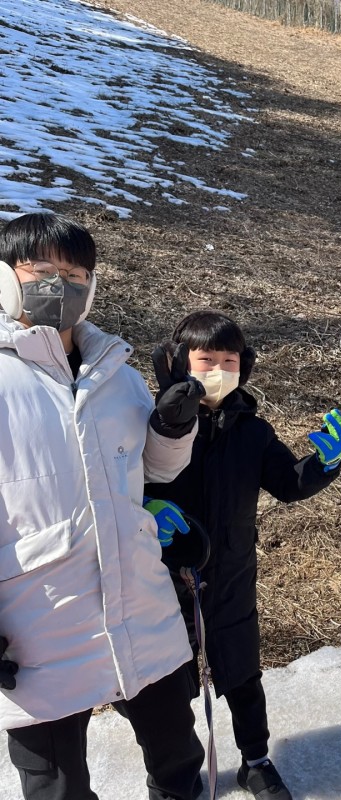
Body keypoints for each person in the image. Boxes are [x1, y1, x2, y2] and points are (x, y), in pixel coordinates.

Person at [0, 212, 206, 799]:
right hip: (38, 629)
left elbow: (155, 471)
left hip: (141, 611)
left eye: (75, 273)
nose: (59, 284)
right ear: (6, 278)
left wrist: (172, 427)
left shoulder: (116, 374)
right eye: (41, 269)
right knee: (57, 788)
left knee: (178, 765)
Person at [144, 309, 341, 800]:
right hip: (166, 578)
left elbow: (285, 482)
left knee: (241, 673)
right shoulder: (152, 425)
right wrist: (147, 507)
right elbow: (127, 481)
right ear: (179, 363)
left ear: (244, 367)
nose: (216, 370)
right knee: (169, 687)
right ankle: (174, 774)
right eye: (205, 359)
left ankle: (255, 761)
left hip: (233, 573)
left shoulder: (253, 432)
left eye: (228, 360)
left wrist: (323, 465)